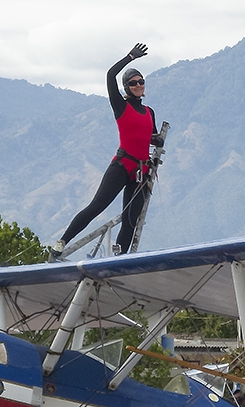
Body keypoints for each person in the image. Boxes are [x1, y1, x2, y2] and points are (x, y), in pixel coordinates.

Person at [49, 43, 161, 260]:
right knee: (97, 206)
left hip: (141, 171)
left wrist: (159, 145)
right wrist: (130, 57)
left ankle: (119, 257)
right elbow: (110, 75)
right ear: (127, 87)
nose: (138, 85)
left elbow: (151, 138)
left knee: (131, 218)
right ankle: (61, 243)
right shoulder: (121, 106)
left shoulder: (149, 112)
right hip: (122, 165)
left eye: (141, 81)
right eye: (133, 82)